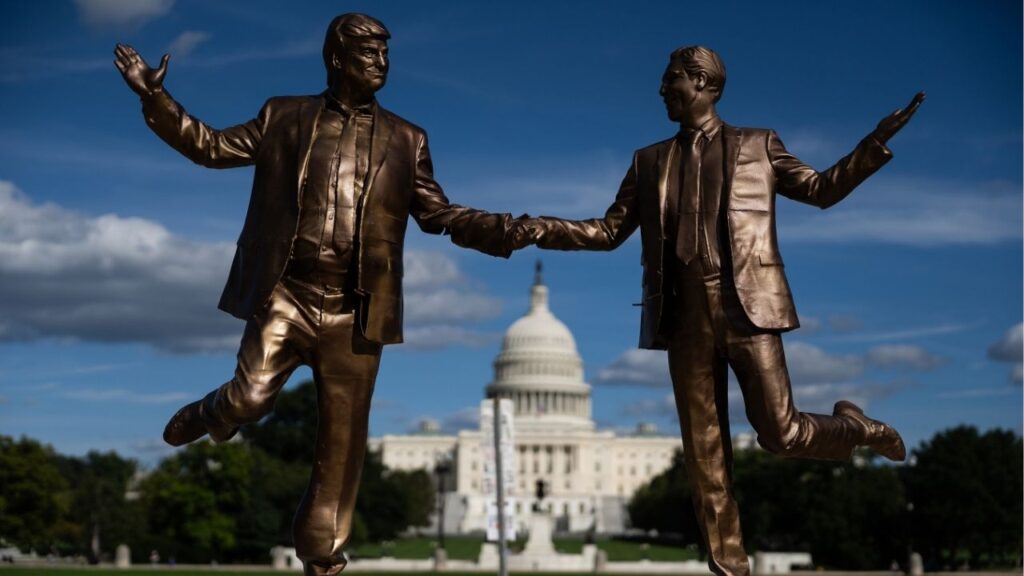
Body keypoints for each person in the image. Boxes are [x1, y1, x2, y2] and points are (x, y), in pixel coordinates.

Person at [114, 14, 530, 576]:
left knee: (341, 448)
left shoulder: (408, 139)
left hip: (355, 311)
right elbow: (210, 147)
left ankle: (322, 559)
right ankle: (212, 412)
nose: (380, 63)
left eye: (385, 53)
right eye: (368, 53)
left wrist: (504, 229)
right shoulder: (283, 115)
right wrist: (156, 97)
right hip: (287, 291)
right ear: (336, 58)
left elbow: (439, 214)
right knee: (250, 399)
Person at [514, 45, 923, 576]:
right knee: (705, 457)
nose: (662, 91)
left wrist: (873, 145)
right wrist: (533, 228)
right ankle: (730, 566)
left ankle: (858, 429)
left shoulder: (759, 144)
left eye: (671, 81)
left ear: (703, 84)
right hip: (682, 318)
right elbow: (606, 231)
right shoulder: (648, 160)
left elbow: (822, 191)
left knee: (781, 435)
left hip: (746, 309)